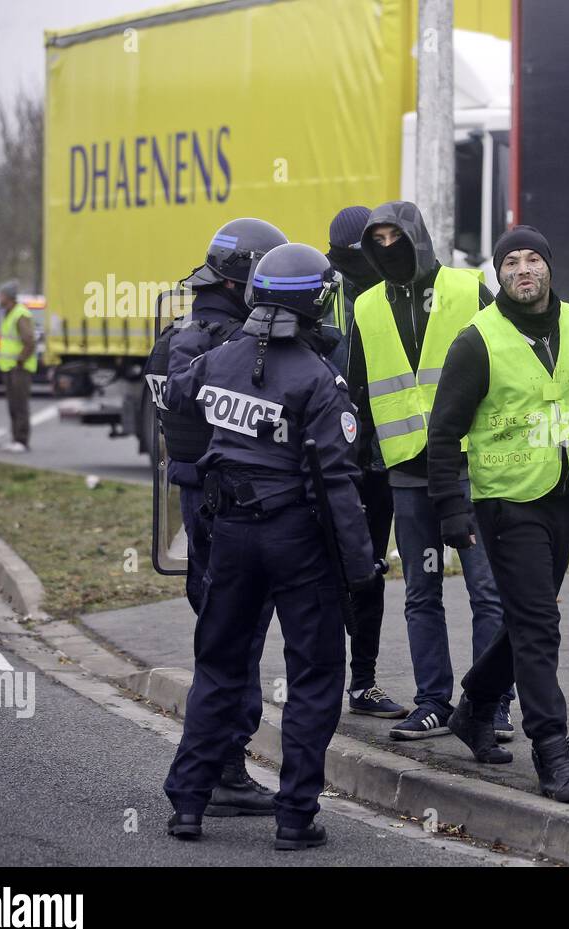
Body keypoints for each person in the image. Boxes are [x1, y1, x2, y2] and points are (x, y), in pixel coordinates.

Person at [163, 243, 373, 849]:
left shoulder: (220, 359)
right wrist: (359, 569)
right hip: (298, 542)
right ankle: (295, 816)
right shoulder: (319, 380)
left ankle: (188, 803)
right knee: (313, 675)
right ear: (314, 302)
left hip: (227, 534)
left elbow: (177, 398)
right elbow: (338, 483)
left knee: (220, 667)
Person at [427, 225, 569, 801]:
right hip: (505, 502)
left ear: (549, 267)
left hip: (564, 498)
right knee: (541, 627)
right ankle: (553, 756)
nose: (524, 269)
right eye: (512, 261)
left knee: (526, 621)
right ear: (499, 274)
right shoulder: (477, 341)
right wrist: (450, 507)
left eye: (533, 259)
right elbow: (442, 431)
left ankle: (473, 708)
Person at [352, 201, 510, 742]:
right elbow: (357, 389)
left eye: (397, 236)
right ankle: (434, 703)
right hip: (406, 472)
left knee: (486, 589)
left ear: (416, 236)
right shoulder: (366, 305)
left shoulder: (469, 289)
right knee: (422, 591)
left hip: (470, 465)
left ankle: (489, 704)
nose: (388, 246)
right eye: (378, 239)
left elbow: (506, 359)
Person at [145, 218, 287, 817]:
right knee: (238, 634)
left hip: (195, 498)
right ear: (247, 278)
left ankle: (212, 767)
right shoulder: (232, 346)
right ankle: (223, 767)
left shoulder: (176, 334)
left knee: (220, 632)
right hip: (232, 507)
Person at [323, 205, 407, 720]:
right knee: (328, 569)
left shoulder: (393, 293)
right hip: (330, 460)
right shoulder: (323, 294)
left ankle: (365, 682)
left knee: (370, 567)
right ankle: (327, 680)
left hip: (380, 458)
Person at [0, 281, 36, 453]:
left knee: (20, 404)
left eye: (1, 295)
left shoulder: (20, 315)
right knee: (12, 404)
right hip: (9, 367)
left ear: (8, 297)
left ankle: (22, 439)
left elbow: (29, 341)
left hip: (19, 368)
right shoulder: (8, 313)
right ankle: (15, 438)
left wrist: (20, 360)